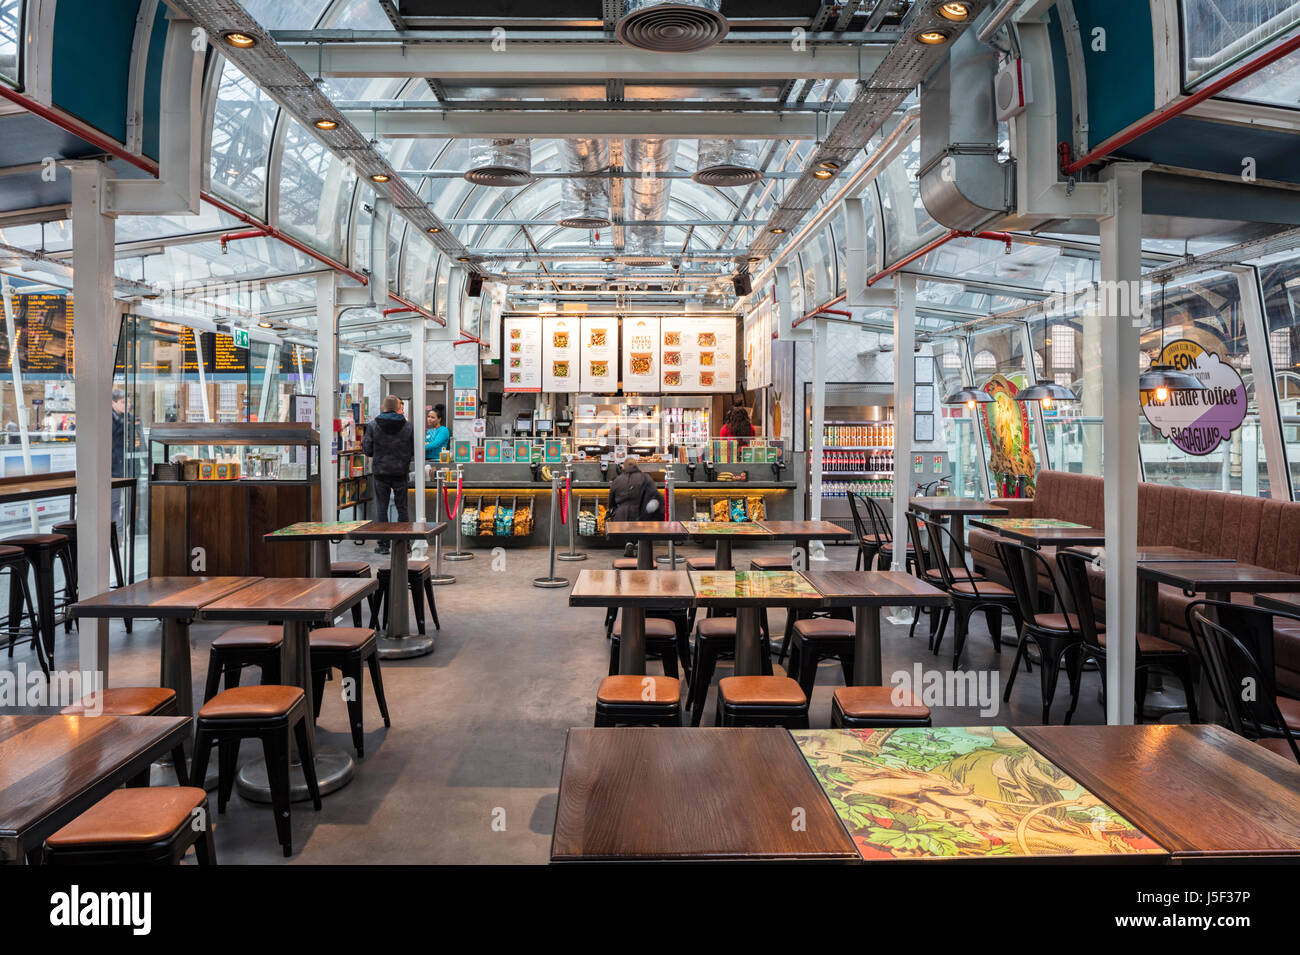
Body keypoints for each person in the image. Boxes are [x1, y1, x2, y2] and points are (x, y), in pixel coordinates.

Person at [362, 394, 414, 554]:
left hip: (381, 472)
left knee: (381, 508)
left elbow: (367, 449)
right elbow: (413, 449)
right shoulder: (409, 426)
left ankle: (383, 545)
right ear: (399, 408)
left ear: (383, 407)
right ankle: (403, 544)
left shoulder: (372, 425)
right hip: (400, 471)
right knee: (402, 508)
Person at [607, 462, 661, 557]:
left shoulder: (617, 480)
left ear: (623, 467)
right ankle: (639, 544)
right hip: (641, 512)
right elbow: (654, 493)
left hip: (621, 514)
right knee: (641, 524)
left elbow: (611, 502)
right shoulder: (645, 477)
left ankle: (629, 542)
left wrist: (613, 510)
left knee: (626, 522)